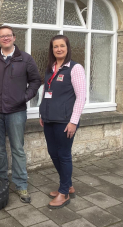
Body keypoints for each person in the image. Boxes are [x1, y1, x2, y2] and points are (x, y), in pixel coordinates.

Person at [0, 25, 41, 203]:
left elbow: (36, 81)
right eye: (2, 36)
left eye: (8, 35)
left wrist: (24, 97)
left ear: (14, 38)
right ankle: (1, 181)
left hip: (16, 111)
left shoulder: (25, 59)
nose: (5, 38)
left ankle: (21, 185)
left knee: (17, 149)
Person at [39, 35, 86, 209]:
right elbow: (46, 91)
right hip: (49, 119)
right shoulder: (50, 68)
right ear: (52, 49)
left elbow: (81, 97)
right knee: (53, 153)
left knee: (64, 155)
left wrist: (73, 122)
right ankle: (68, 185)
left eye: (62, 46)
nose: (58, 49)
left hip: (65, 121)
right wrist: (42, 113)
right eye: (55, 46)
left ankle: (64, 192)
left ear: (67, 48)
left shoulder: (75, 68)